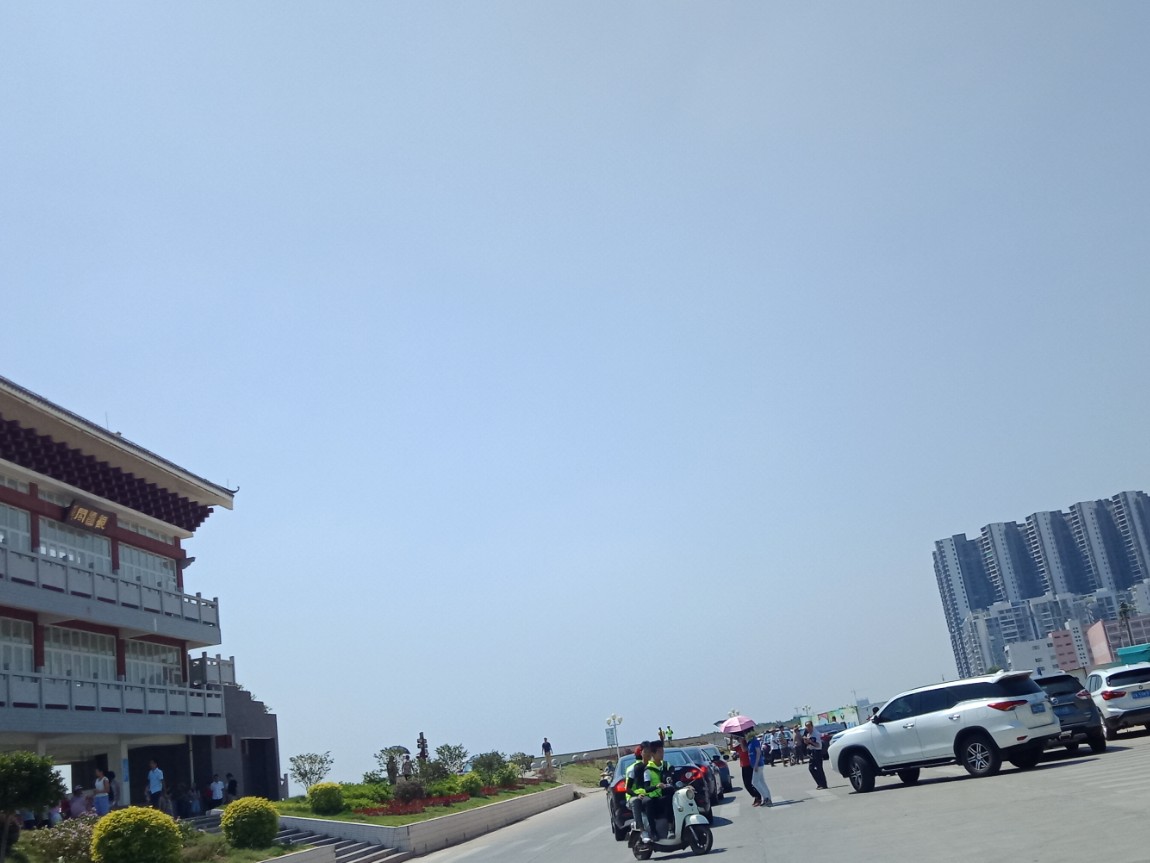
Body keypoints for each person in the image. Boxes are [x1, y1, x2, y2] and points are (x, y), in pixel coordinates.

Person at [641, 740, 671, 841]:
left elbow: (673, 778)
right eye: (659, 752)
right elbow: (646, 788)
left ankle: (671, 827)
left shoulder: (666, 765)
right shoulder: (648, 770)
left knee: (671, 797)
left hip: (663, 796)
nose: (662, 754)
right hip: (654, 799)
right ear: (653, 754)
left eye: (663, 751)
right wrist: (657, 786)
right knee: (648, 802)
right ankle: (653, 832)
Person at [625, 743, 652, 839]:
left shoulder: (654, 765)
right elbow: (628, 788)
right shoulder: (633, 768)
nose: (649, 754)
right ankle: (642, 830)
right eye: (646, 752)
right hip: (633, 796)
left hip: (648, 794)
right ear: (641, 753)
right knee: (636, 801)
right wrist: (636, 795)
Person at [746, 733, 773, 807]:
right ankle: (768, 798)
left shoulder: (755, 741)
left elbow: (758, 752)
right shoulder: (749, 742)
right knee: (762, 782)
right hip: (754, 764)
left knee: (754, 782)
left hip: (758, 764)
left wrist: (756, 764)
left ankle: (766, 798)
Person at [732, 733, 759, 805]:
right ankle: (756, 796)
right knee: (746, 784)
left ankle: (758, 796)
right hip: (743, 766)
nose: (737, 739)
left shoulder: (746, 744)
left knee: (750, 783)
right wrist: (731, 738)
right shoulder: (738, 746)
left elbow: (744, 750)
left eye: (738, 738)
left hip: (749, 765)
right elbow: (732, 748)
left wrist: (741, 740)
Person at [804, 721, 828, 789]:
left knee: (819, 768)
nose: (808, 728)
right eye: (807, 726)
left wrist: (810, 741)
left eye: (809, 726)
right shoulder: (809, 734)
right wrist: (806, 741)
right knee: (811, 768)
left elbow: (818, 745)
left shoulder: (816, 734)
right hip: (812, 752)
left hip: (817, 752)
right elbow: (808, 744)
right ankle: (819, 783)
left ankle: (823, 784)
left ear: (812, 726)